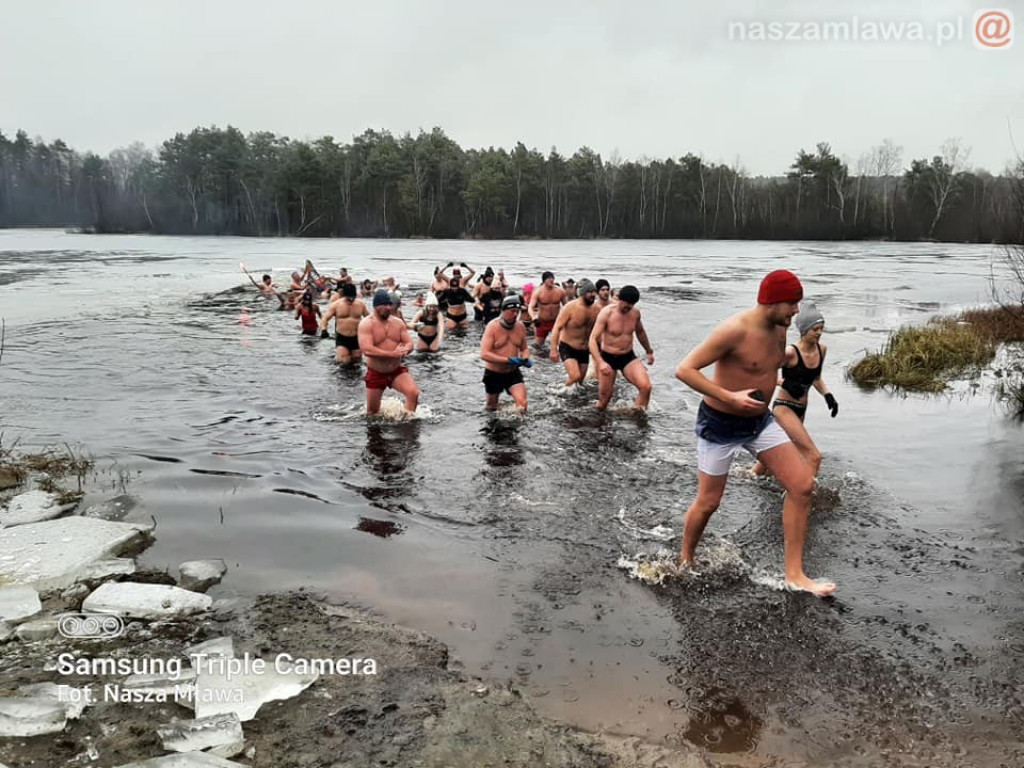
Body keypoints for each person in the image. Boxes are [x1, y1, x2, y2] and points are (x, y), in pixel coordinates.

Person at [673, 269, 835, 597]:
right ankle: (685, 560)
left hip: (760, 422)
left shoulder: (780, 329)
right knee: (709, 502)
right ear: (772, 301)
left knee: (802, 486)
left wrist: (813, 380)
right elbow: (684, 370)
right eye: (792, 303)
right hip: (719, 424)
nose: (796, 311)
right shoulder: (734, 329)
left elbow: (770, 366)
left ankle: (795, 574)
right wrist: (730, 396)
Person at [751, 303, 838, 478]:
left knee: (778, 451)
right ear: (804, 330)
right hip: (784, 407)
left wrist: (828, 395)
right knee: (813, 456)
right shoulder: (790, 353)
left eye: (822, 328)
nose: (819, 333)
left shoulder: (822, 350)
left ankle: (751, 476)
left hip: (801, 410)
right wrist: (784, 383)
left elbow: (816, 378)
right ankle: (806, 495)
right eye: (815, 329)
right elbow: (764, 371)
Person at [588, 285, 654, 410]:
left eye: (632, 304)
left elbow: (640, 332)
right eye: (627, 303)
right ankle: (597, 423)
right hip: (608, 358)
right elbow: (592, 339)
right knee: (604, 400)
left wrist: (649, 351)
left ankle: (636, 416)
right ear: (620, 299)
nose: (629, 307)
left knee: (646, 387)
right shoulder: (607, 313)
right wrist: (600, 362)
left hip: (628, 357)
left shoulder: (635, 313)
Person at [357, 290, 419, 415]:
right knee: (372, 413)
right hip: (376, 372)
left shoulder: (398, 323)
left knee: (413, 393)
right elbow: (366, 350)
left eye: (390, 305)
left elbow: (410, 343)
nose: (388, 308)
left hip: (395, 370)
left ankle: (406, 424)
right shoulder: (366, 324)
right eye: (384, 305)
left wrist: (405, 350)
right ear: (375, 306)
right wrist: (392, 354)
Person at [480, 294, 531, 412]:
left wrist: (526, 358)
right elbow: (484, 354)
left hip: (513, 373)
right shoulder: (492, 327)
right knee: (491, 407)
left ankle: (518, 427)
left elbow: (524, 348)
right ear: (503, 310)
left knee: (522, 406)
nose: (515, 314)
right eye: (512, 311)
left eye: (517, 311)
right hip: (494, 373)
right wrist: (508, 360)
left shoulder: (520, 326)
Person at [550, 278, 601, 387]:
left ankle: (573, 400)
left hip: (584, 350)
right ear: (582, 293)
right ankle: (560, 394)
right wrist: (554, 349)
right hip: (568, 347)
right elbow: (557, 327)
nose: (593, 295)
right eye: (589, 292)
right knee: (574, 376)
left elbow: (599, 331)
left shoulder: (596, 309)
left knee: (580, 383)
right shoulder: (570, 307)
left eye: (594, 292)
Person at [319, 282, 368, 364]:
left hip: (356, 337)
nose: (351, 300)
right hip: (342, 337)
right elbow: (325, 318)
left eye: (353, 297)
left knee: (357, 360)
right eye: (349, 298)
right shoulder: (336, 305)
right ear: (344, 295)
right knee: (344, 361)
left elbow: (369, 318)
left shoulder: (361, 305)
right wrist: (324, 330)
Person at [528, 271, 566, 347]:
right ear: (544, 280)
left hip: (556, 321)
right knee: (538, 346)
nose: (552, 280)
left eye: (553, 278)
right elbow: (530, 307)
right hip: (542, 322)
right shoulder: (538, 292)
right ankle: (540, 359)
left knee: (561, 344)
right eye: (549, 279)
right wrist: (534, 318)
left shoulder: (560, 291)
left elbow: (566, 306)